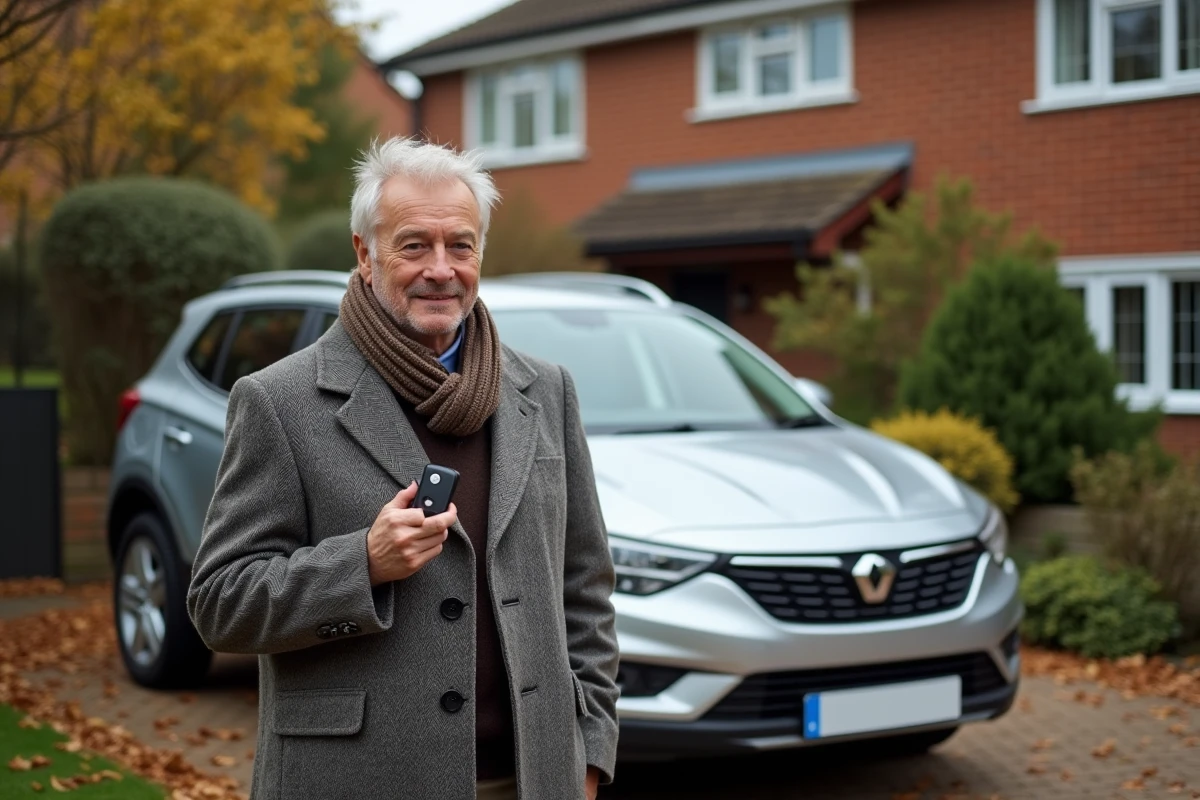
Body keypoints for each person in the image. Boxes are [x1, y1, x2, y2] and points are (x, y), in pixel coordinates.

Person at [186, 136, 620, 800]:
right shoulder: (280, 401)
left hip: (530, 779)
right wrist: (360, 563)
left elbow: (583, 590)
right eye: (414, 245)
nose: (441, 269)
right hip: (355, 781)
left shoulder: (545, 391)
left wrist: (588, 756)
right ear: (366, 254)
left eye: (461, 245)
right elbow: (221, 604)